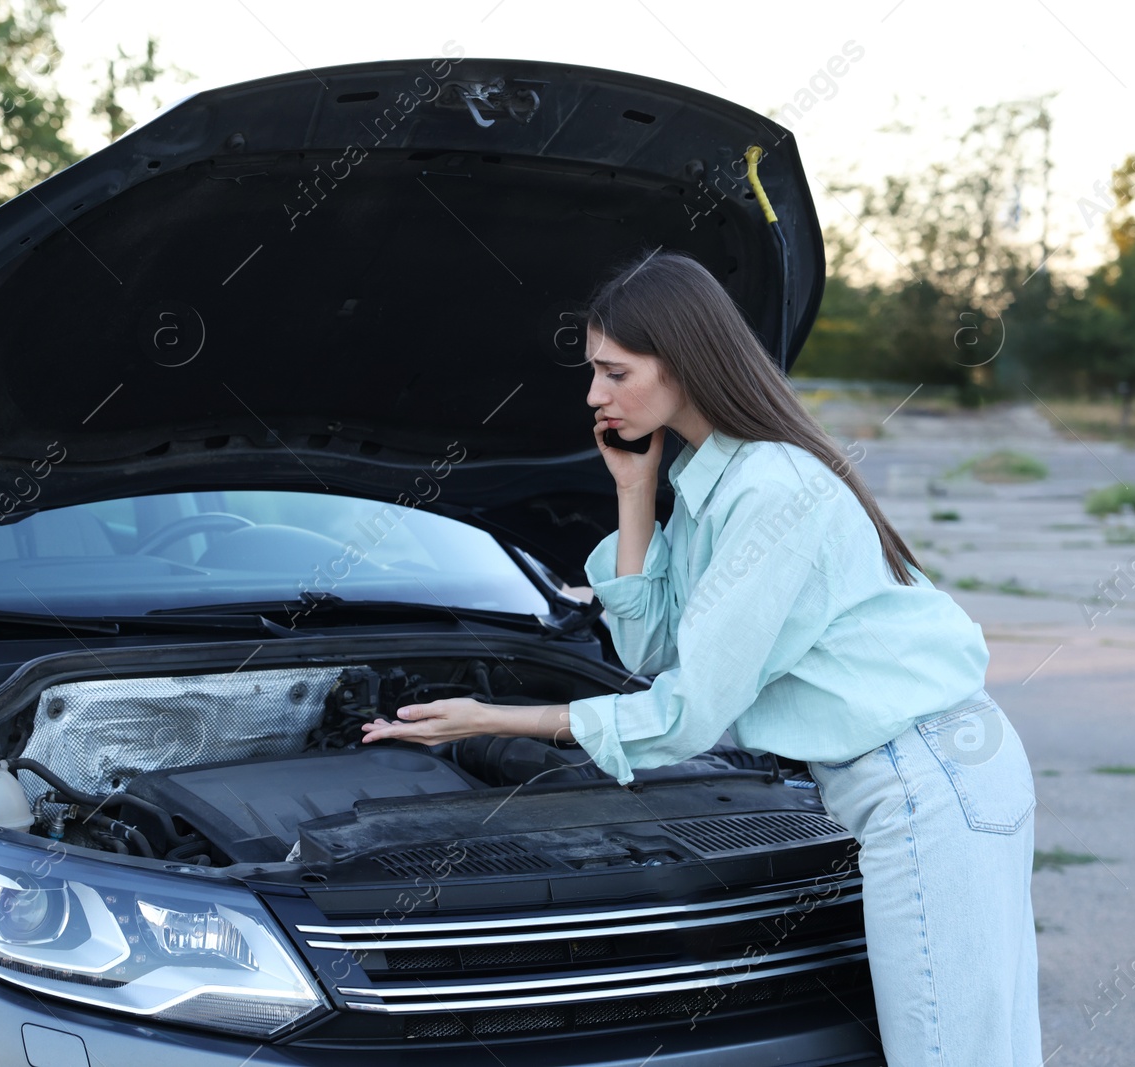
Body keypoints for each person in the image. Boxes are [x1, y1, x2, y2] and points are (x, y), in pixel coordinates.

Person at [360, 249, 1043, 1067]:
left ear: (681, 359)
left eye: (615, 371)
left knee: (952, 1055)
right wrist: (635, 491)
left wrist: (490, 718)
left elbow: (686, 711)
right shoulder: (713, 479)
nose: (593, 395)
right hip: (920, 773)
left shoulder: (770, 487)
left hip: (929, 780)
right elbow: (652, 648)